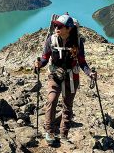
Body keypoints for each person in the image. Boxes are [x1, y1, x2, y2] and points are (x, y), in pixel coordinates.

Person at [34, 14, 97, 145]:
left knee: (67, 106)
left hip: (71, 77)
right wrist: (40, 64)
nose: (56, 27)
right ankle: (49, 131)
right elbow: (45, 58)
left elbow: (82, 62)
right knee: (51, 100)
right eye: (55, 25)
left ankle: (63, 134)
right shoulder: (51, 40)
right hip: (55, 75)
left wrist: (90, 73)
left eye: (60, 26)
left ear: (68, 28)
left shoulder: (78, 42)